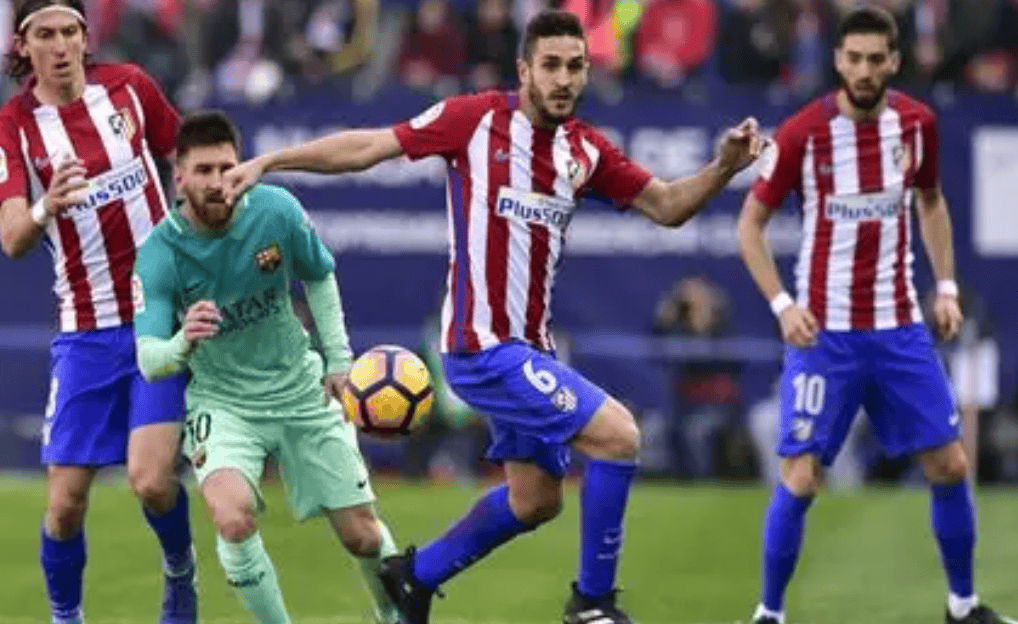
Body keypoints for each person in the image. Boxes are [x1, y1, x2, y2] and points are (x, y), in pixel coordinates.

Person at [222, 11, 762, 624]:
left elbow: (665, 205)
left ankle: (414, 578)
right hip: (482, 348)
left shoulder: (585, 150)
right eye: (551, 65)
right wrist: (270, 162)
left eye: (576, 67)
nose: (563, 79)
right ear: (524, 69)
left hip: (531, 350)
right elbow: (370, 146)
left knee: (536, 500)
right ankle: (591, 604)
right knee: (619, 437)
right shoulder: (475, 120)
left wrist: (723, 167)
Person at [736, 7, 1018, 624]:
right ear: (838, 61)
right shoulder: (803, 134)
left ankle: (963, 606)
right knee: (800, 476)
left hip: (898, 330)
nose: (864, 70)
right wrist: (783, 305)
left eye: (875, 59)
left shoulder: (916, 124)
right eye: (854, 58)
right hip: (824, 335)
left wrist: (946, 287)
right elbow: (750, 226)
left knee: (951, 464)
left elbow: (932, 202)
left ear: (894, 61)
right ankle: (768, 614)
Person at [132, 110, 401, 624]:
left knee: (363, 536)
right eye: (204, 170)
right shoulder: (159, 254)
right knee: (232, 518)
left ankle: (398, 616)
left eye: (226, 167)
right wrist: (182, 342)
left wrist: (339, 360)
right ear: (179, 177)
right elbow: (149, 361)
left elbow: (319, 275)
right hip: (224, 405)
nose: (218, 182)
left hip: (301, 391)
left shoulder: (275, 210)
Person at [0, 2, 196, 623]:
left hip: (158, 318)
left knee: (151, 481)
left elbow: (188, 159)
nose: (60, 46)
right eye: (45, 35)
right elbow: (11, 237)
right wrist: (46, 207)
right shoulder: (14, 126)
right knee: (64, 505)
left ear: (86, 38)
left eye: (69, 32)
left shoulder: (130, 88)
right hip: (85, 330)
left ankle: (180, 573)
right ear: (23, 45)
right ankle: (67, 618)